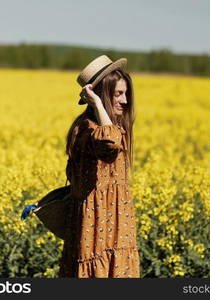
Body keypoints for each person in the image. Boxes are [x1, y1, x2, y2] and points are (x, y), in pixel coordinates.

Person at [59, 55, 140, 278]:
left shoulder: (104, 126)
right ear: (100, 95)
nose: (125, 100)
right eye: (118, 94)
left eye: (126, 94)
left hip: (115, 222)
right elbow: (111, 142)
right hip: (96, 226)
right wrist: (96, 103)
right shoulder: (89, 129)